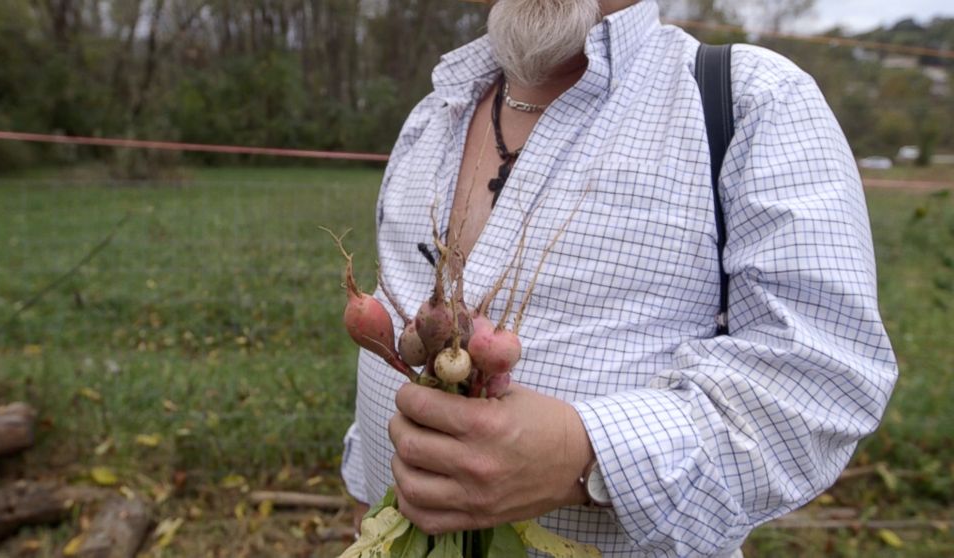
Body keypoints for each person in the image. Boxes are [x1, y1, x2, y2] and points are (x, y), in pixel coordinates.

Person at [340, 0, 899, 556]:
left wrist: (581, 453)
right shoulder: (435, 114)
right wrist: (369, 511)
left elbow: (825, 379)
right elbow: (386, 355)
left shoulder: (753, 99)